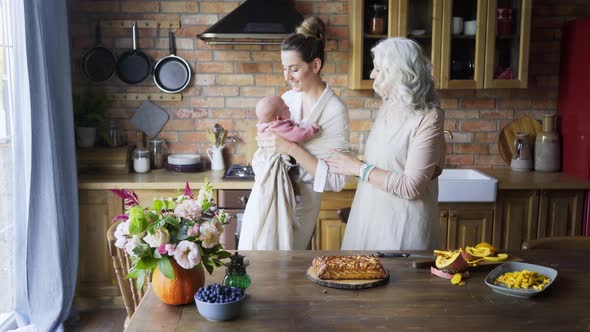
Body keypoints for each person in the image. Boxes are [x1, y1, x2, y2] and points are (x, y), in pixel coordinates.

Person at [326, 37, 446, 251]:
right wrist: (350, 166)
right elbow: (385, 164)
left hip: (404, 229)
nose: (372, 74)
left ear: (397, 73)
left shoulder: (429, 117)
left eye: (378, 69)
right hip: (368, 220)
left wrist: (357, 168)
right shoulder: (389, 105)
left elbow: (412, 187)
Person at [256, 16, 350, 250]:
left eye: (294, 69)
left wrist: (290, 148)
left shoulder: (334, 111)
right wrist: (266, 146)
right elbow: (264, 150)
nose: (287, 77)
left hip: (304, 206)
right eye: (284, 69)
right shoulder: (287, 100)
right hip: (274, 198)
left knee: (288, 270)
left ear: (315, 65)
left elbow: (336, 180)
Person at [237, 96, 320, 250]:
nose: (289, 109)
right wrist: (311, 130)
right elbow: (296, 135)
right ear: (279, 117)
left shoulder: (265, 126)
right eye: (286, 108)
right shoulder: (279, 127)